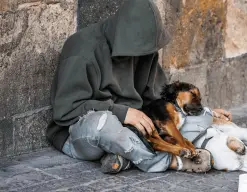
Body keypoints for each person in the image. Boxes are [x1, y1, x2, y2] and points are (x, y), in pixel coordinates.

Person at [47, 0, 231, 173]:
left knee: (200, 119)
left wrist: (201, 111)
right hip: (82, 134)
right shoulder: (82, 49)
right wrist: (123, 113)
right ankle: (174, 161)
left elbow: (159, 99)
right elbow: (66, 111)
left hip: (137, 129)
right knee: (104, 124)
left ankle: (125, 157)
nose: (145, 55)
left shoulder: (146, 51)